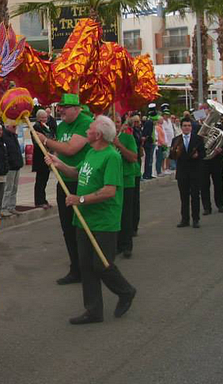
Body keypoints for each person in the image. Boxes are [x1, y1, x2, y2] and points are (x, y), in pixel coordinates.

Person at [45, 115, 137, 324]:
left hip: (104, 220)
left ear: (99, 134)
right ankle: (93, 310)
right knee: (86, 266)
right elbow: (77, 174)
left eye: (90, 129)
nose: (87, 131)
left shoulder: (111, 156)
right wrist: (58, 163)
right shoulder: (91, 153)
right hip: (84, 219)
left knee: (102, 264)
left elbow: (109, 191)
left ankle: (126, 291)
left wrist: (81, 199)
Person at [36, 93, 92, 285]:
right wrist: (53, 158)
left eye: (65, 107)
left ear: (77, 108)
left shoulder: (85, 122)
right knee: (67, 228)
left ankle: (88, 268)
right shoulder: (62, 125)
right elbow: (60, 150)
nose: (61, 110)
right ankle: (75, 268)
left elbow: (70, 149)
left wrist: (45, 140)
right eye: (60, 107)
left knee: (82, 227)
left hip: (82, 182)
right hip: (64, 180)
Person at [169, 117, 205, 228]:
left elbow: (203, 153)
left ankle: (196, 219)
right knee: (184, 197)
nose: (187, 128)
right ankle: (185, 219)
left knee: (195, 196)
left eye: (189, 126)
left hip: (194, 171)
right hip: (182, 172)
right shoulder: (176, 139)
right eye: (185, 126)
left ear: (191, 127)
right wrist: (174, 152)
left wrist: (198, 155)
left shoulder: (198, 139)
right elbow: (172, 156)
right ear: (181, 127)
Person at [115, 114, 139, 258]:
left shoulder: (127, 138)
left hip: (126, 180)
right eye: (113, 121)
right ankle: (116, 243)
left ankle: (126, 245)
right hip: (112, 180)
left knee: (126, 214)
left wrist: (119, 145)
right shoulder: (104, 139)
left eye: (118, 122)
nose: (116, 124)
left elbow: (133, 157)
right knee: (115, 214)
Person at [200, 119, 223, 214]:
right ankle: (206, 207)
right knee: (204, 184)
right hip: (204, 160)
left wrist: (221, 150)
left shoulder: (220, 128)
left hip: (217, 160)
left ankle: (220, 204)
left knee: (218, 183)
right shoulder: (201, 128)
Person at [31, 109, 55, 209]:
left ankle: (43, 199)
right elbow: (37, 142)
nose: (45, 120)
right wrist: (48, 141)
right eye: (43, 118)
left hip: (47, 155)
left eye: (46, 118)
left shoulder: (47, 127)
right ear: (38, 118)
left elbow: (51, 136)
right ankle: (39, 201)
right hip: (40, 157)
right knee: (40, 180)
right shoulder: (36, 127)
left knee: (45, 180)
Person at [1, 120, 24, 216]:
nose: (16, 128)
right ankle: (4, 207)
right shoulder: (4, 136)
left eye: (16, 127)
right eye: (14, 127)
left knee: (14, 188)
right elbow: (5, 152)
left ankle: (11, 206)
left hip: (16, 165)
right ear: (7, 126)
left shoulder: (13, 136)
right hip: (10, 166)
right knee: (8, 188)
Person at [131, 113, 143, 235]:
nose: (138, 124)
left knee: (135, 200)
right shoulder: (133, 132)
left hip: (135, 168)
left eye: (138, 122)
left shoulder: (135, 132)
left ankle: (134, 226)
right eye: (136, 122)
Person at [141, 104, 157, 179]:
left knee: (149, 158)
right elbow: (147, 133)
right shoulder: (149, 122)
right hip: (149, 143)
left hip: (150, 142)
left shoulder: (148, 121)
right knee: (149, 159)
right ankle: (147, 174)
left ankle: (148, 173)